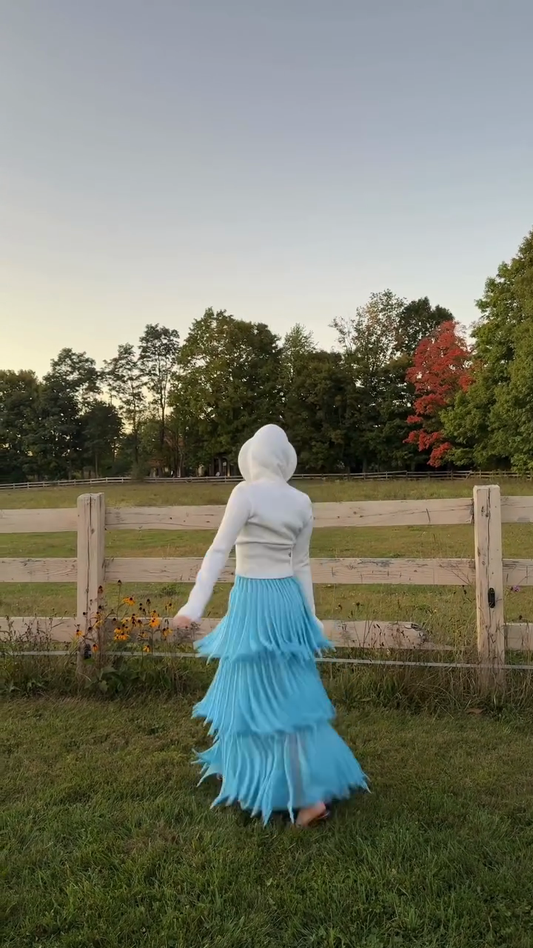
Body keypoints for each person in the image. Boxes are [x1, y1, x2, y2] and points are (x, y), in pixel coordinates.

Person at [173, 424, 368, 826]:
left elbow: (219, 550)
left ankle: (301, 795)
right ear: (284, 460)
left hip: (253, 601)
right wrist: (310, 617)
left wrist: (193, 606)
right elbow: (301, 564)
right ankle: (256, 775)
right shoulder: (301, 500)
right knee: (288, 696)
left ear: (252, 458)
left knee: (248, 689)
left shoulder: (244, 493)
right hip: (287, 602)